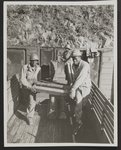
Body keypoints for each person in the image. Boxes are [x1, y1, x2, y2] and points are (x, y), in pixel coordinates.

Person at [69, 49, 91, 131]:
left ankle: (79, 119)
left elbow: (80, 78)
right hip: (78, 87)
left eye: (76, 58)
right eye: (73, 58)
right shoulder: (74, 65)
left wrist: (73, 89)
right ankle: (78, 122)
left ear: (80, 57)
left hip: (85, 88)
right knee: (78, 104)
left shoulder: (85, 65)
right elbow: (74, 77)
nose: (74, 59)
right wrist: (72, 85)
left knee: (81, 105)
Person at [20, 53, 41, 125]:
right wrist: (29, 87)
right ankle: (29, 115)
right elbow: (22, 79)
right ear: (30, 61)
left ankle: (29, 117)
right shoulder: (25, 67)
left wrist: (36, 85)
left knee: (32, 101)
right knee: (28, 102)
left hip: (33, 87)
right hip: (26, 87)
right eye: (33, 61)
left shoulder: (38, 68)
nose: (35, 62)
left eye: (36, 61)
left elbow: (36, 78)